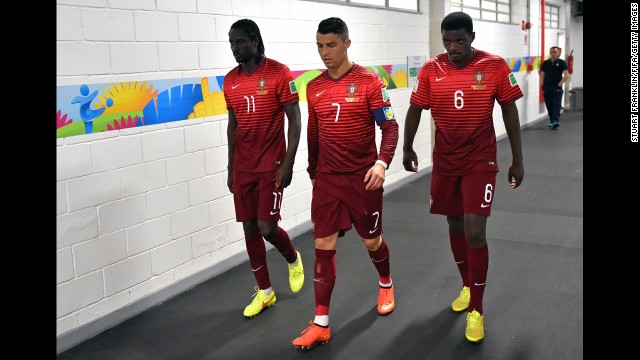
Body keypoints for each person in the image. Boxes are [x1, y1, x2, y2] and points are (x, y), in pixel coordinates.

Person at [402, 12, 524, 343]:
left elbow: (509, 110)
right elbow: (415, 108)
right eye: (447, 41)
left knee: (474, 230)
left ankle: (477, 311)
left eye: (459, 40)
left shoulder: (495, 66)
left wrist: (517, 160)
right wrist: (407, 147)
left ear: (472, 37)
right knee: (454, 224)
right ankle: (468, 286)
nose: (453, 47)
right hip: (445, 162)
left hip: (480, 160)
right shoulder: (431, 70)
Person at [291, 17, 399, 350]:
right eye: (320, 46)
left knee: (371, 241)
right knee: (323, 246)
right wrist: (313, 171)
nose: (325, 52)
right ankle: (321, 323)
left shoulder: (369, 81)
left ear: (347, 44)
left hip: (363, 180)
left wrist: (382, 164)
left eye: (331, 45)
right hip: (327, 180)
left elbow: (390, 128)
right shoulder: (314, 86)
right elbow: (313, 132)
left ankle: (385, 282)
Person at [223, 18, 304, 318]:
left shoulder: (279, 73)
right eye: (231, 42)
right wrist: (231, 167)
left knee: (267, 228)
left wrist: (289, 162)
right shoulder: (230, 80)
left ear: (255, 41)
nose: (235, 47)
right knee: (249, 228)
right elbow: (232, 126)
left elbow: (294, 120)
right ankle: (266, 292)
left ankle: (293, 258)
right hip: (243, 166)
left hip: (271, 165)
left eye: (240, 41)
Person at [540, 46, 569, 129]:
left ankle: (555, 121)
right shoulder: (546, 63)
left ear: (559, 53)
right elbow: (542, 74)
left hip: (556, 87)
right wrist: (542, 84)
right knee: (549, 105)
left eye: (555, 52)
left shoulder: (562, 63)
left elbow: (566, 75)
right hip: (547, 87)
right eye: (551, 52)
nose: (553, 54)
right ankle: (552, 120)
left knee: (556, 104)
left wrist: (560, 83)